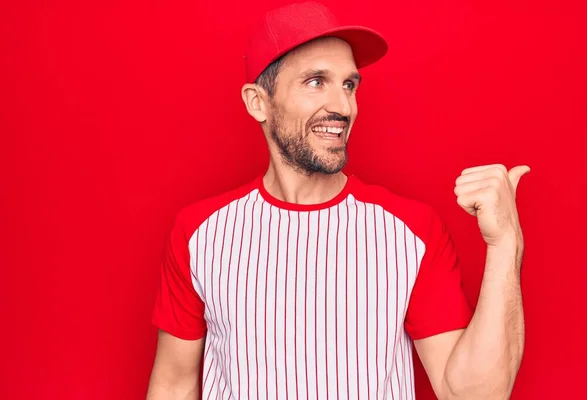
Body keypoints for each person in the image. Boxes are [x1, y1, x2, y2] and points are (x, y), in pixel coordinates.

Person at [146, 2, 529, 399]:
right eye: (316, 81)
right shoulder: (200, 234)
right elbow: (172, 386)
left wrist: (505, 245)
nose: (343, 106)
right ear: (257, 102)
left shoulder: (411, 230)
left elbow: (473, 395)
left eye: (349, 85)